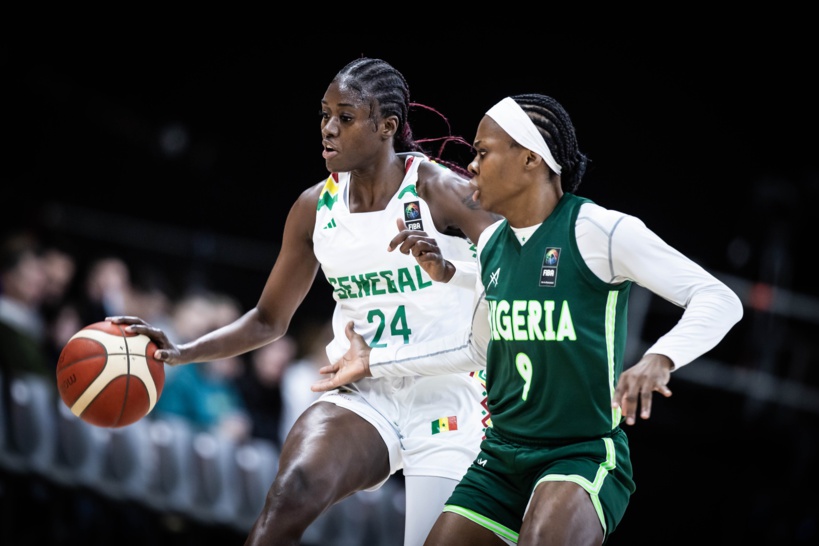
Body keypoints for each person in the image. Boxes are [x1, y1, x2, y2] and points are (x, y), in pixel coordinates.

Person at [312, 93, 745, 545]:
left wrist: (661, 357)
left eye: (482, 152)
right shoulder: (495, 242)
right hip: (501, 456)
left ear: (530, 159)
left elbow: (718, 299)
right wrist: (378, 360)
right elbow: (477, 348)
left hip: (578, 453)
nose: (471, 165)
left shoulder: (596, 230)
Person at [108, 56, 500, 546]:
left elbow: (517, 270)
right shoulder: (314, 206)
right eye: (324, 115)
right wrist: (183, 351)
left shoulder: (439, 191)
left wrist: (450, 268)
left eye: (346, 117)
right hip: (364, 388)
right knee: (291, 491)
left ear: (387, 127)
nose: (328, 129)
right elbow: (267, 320)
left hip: (449, 397)